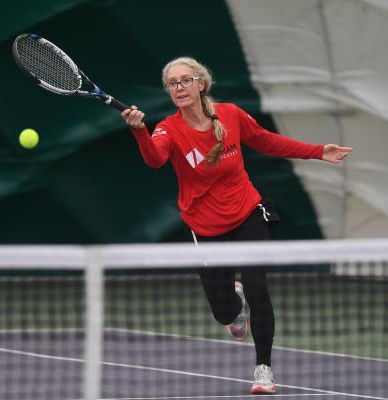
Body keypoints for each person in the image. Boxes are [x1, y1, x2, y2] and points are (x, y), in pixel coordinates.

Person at [121, 57, 353, 395]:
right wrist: (139, 130)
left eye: (186, 80)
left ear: (202, 84)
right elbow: (155, 158)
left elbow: (267, 141)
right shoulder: (169, 129)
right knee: (223, 312)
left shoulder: (231, 115)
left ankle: (263, 370)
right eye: (172, 83)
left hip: (247, 213)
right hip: (204, 228)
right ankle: (234, 303)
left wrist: (318, 151)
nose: (179, 87)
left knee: (258, 287)